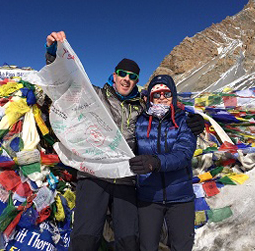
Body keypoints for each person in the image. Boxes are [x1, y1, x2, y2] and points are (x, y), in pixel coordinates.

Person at [45, 31, 204, 251]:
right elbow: (65, 86)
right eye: (122, 73)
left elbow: (168, 113)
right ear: (114, 75)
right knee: (85, 238)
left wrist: (196, 121)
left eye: (132, 76)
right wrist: (54, 54)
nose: (126, 79)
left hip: (126, 178)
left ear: (137, 80)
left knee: (129, 241)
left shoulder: (143, 106)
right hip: (94, 176)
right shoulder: (95, 96)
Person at [130, 74, 197, 251]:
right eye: (157, 94)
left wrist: (155, 162)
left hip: (180, 197)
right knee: (147, 246)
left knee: (182, 246)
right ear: (150, 97)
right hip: (148, 197)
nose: (162, 98)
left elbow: (184, 153)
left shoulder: (184, 120)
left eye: (166, 94)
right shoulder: (139, 122)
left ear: (173, 96)